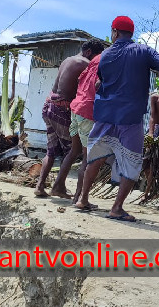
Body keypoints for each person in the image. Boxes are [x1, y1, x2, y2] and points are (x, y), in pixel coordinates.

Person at [75, 16, 159, 222]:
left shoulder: (105, 55)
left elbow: (100, 83)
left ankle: (83, 199)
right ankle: (117, 208)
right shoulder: (143, 51)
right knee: (132, 161)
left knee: (95, 156)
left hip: (104, 115)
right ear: (131, 33)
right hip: (129, 117)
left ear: (114, 32)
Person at [35, 39, 104, 198]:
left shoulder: (68, 60)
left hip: (49, 105)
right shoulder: (86, 64)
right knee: (73, 150)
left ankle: (40, 186)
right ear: (89, 52)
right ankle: (58, 187)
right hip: (62, 109)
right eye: (96, 56)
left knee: (51, 150)